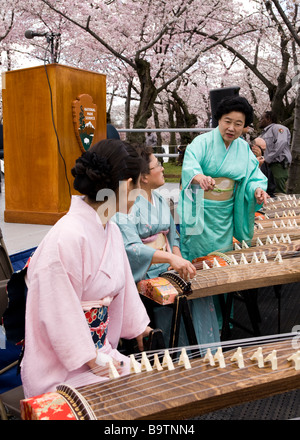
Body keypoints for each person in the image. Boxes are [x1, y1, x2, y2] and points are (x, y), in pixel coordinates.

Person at [21, 139, 151, 399]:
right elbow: (58, 314)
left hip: (100, 356)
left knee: (149, 388)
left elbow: (123, 287)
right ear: (127, 186)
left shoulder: (110, 229)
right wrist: (91, 359)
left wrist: (139, 328)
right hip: (60, 369)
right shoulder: (66, 237)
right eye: (139, 186)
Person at [114, 145, 220, 348]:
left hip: (167, 265)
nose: (162, 168)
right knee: (176, 296)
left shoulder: (160, 199)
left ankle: (205, 350)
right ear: (144, 176)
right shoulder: (124, 204)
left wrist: (177, 259)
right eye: (158, 165)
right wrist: (170, 259)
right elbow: (132, 248)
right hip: (145, 270)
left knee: (198, 290)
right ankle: (175, 352)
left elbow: (173, 236)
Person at [178, 96, 268, 326]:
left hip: (225, 215)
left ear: (245, 126)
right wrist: (198, 177)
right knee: (200, 266)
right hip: (201, 212)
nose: (232, 128)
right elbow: (190, 167)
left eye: (239, 123)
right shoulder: (201, 143)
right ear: (218, 119)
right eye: (228, 121)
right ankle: (199, 321)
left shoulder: (243, 149)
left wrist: (257, 189)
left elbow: (251, 177)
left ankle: (221, 322)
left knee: (223, 262)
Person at [259, 111, 291, 194]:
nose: (260, 120)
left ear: (268, 119)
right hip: (265, 167)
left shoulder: (278, 128)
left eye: (262, 118)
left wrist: (267, 159)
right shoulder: (263, 134)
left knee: (278, 194)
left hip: (277, 166)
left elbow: (281, 142)